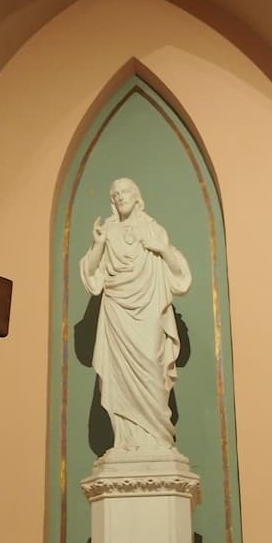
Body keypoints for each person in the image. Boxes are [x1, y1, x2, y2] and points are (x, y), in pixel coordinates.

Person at [79, 178, 190, 453]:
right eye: (114, 194)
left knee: (152, 367)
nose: (119, 197)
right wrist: (98, 245)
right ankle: (126, 440)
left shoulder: (153, 229)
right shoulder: (107, 231)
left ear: (136, 196)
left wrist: (163, 249)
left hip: (149, 311)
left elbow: (181, 280)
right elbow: (92, 278)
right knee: (118, 379)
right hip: (116, 315)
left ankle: (156, 440)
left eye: (124, 192)